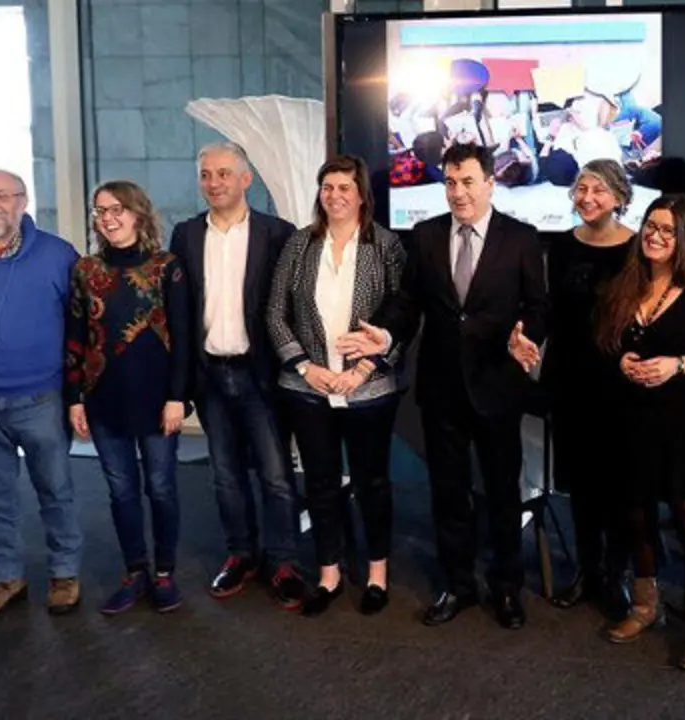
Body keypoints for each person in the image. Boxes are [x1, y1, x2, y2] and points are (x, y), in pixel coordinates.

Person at [346, 142, 548, 630]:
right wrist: (387, 332)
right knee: (448, 492)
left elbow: (538, 306)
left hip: (496, 387)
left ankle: (506, 587)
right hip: (440, 388)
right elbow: (408, 301)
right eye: (451, 183)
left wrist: (528, 338)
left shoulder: (520, 237)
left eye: (468, 182)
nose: (458, 193)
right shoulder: (426, 235)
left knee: (502, 493)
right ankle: (458, 585)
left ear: (490, 184)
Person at [595, 194, 685, 673]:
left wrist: (680, 363)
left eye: (667, 230)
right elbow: (604, 345)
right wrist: (622, 361)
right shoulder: (625, 286)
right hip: (633, 423)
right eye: (650, 227)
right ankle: (646, 605)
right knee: (636, 516)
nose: (655, 236)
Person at [266, 155, 409, 617]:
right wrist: (307, 368)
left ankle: (376, 574)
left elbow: (403, 318)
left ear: (362, 194)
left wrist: (364, 369)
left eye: (345, 187)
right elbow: (275, 314)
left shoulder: (386, 246)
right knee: (322, 483)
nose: (335, 195)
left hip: (369, 389)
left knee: (373, 484)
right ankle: (328, 574)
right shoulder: (298, 245)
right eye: (327, 187)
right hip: (309, 388)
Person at [168, 142, 306, 609]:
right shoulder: (185, 235)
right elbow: (180, 314)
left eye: (224, 174)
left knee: (276, 474)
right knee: (225, 476)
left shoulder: (277, 234)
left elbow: (291, 307)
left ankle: (284, 560)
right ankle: (241, 554)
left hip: (260, 375)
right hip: (211, 376)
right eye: (206, 174)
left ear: (247, 180)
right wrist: (181, 385)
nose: (214, 183)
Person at [0, 169, 83, 622]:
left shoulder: (58, 256)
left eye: (3, 196)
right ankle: (5, 577)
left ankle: (65, 574)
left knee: (56, 490)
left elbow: (80, 325)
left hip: (41, 398)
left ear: (23, 202)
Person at [508, 159, 635, 618]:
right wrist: (529, 341)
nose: (587, 199)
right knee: (581, 483)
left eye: (599, 191)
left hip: (620, 380)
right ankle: (587, 570)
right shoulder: (561, 246)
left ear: (620, 197)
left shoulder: (638, 249)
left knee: (617, 482)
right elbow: (550, 311)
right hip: (571, 377)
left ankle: (617, 574)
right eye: (581, 189)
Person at [65, 181, 192, 615]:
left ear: (138, 213)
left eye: (117, 209)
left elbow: (183, 338)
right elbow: (76, 338)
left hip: (158, 400)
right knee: (121, 492)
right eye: (100, 211)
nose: (108, 218)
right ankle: (135, 571)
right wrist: (74, 398)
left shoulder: (166, 267)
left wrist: (179, 397)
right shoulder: (85, 270)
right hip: (103, 399)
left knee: (160, 488)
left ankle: (165, 574)